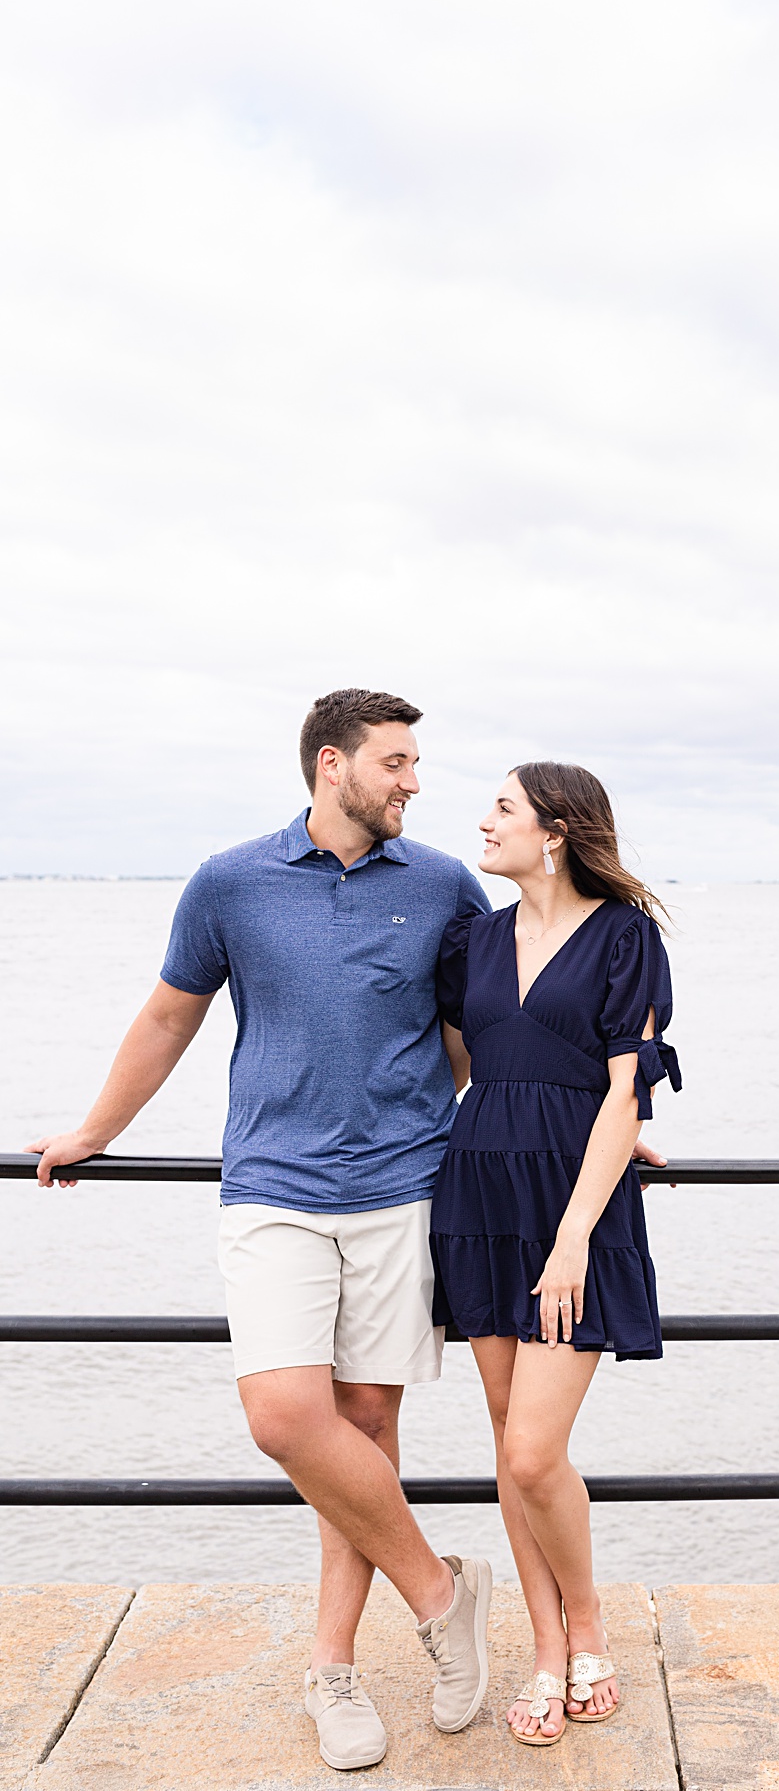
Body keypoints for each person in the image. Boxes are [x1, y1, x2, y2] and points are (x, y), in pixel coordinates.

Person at [27, 689, 499, 1771]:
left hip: (403, 1186)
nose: (414, 783)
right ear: (332, 765)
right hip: (274, 1186)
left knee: (365, 1434)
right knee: (288, 1420)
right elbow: (168, 1016)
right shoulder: (230, 882)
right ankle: (442, 1593)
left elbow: (481, 1034)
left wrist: (583, 1125)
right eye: (396, 763)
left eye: (416, 764)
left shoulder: (440, 886)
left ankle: (331, 1670)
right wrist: (96, 1129)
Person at [430, 760, 681, 1746]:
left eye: (501, 808)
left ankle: (589, 1622)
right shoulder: (475, 942)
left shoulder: (626, 939)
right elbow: (457, 1066)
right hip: (480, 1195)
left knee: (536, 1452)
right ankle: (545, 1645)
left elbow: (625, 1093)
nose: (482, 822)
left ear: (557, 832)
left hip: (574, 1212)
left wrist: (576, 1234)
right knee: (507, 1443)